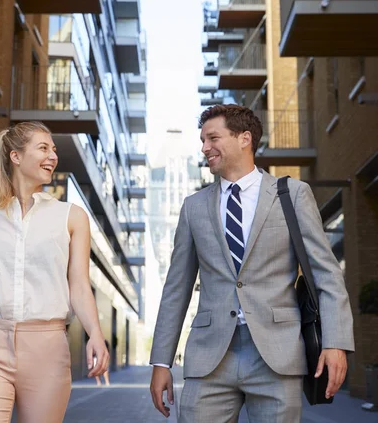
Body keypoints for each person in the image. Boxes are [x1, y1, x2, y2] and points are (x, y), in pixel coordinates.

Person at [150, 105, 354, 423]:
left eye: (213, 138)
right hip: (210, 358)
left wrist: (335, 342)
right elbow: (177, 288)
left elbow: (326, 273)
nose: (204, 147)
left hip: (277, 354)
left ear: (244, 138)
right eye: (202, 140)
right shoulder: (194, 207)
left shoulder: (292, 195)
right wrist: (161, 362)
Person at [0, 121, 110, 423]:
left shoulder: (71, 217)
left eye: (54, 149)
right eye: (43, 148)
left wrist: (96, 334)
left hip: (47, 349)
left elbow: (78, 286)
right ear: (16, 156)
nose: (53, 156)